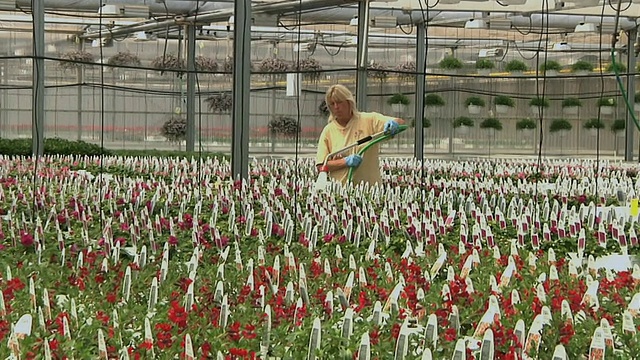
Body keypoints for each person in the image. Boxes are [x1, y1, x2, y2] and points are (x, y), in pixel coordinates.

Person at [315, 84, 404, 186]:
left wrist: (395, 124)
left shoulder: (369, 120)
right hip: (340, 191)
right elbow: (321, 165)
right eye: (332, 104)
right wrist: (345, 162)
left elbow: (400, 122)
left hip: (370, 189)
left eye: (339, 102)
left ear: (349, 102)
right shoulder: (328, 131)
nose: (336, 107)